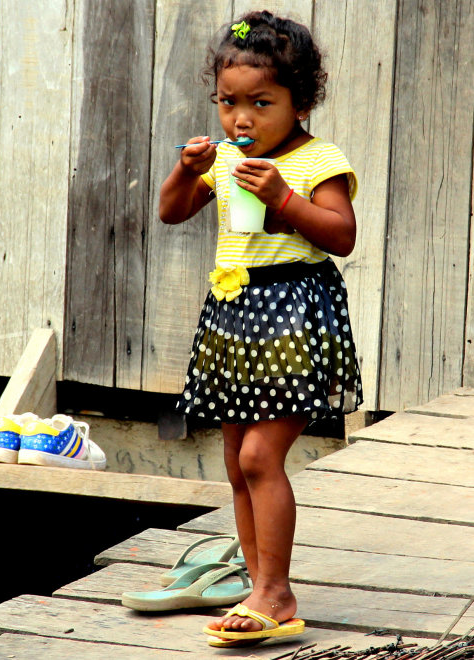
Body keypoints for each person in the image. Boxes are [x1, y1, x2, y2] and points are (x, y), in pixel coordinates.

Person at [159, 10, 363, 646]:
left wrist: (283, 198)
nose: (240, 119)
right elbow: (171, 212)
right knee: (234, 456)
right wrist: (190, 170)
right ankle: (259, 582)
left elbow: (341, 235)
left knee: (258, 455)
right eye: (227, 103)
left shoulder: (316, 160)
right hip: (235, 317)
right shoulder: (225, 158)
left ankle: (275, 590)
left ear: (300, 102)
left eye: (260, 103)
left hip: (293, 319)